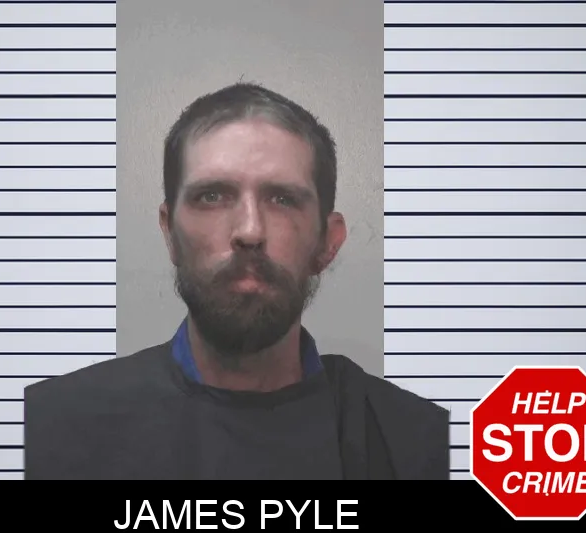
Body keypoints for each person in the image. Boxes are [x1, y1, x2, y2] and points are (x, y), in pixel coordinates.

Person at [23, 82, 450, 480]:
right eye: (212, 196)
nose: (249, 231)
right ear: (170, 232)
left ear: (328, 241)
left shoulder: (423, 447)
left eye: (283, 199)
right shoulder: (46, 431)